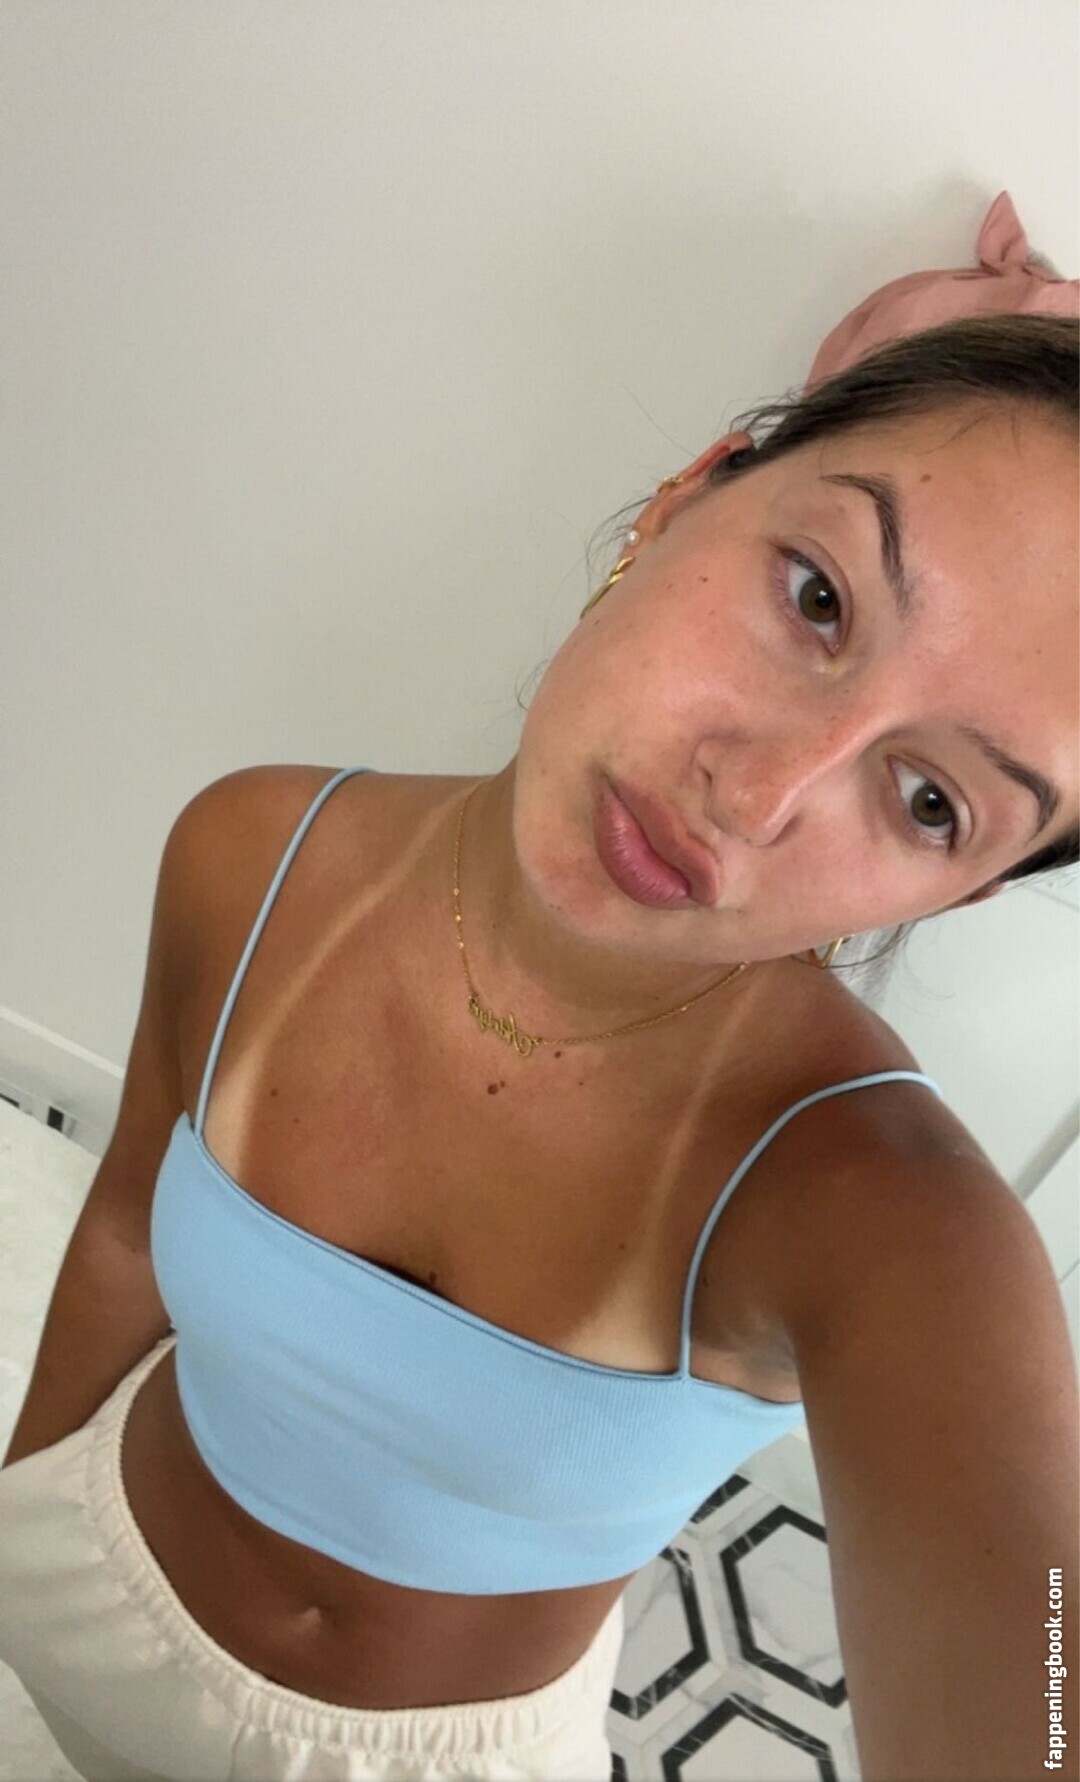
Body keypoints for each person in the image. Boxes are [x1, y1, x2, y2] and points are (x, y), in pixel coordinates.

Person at [0, 308, 1077, 1782]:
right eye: (818, 596)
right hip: (82, 1598)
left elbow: (1038, 1673)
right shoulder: (253, 852)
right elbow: (127, 1228)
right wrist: (24, 1508)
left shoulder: (879, 1210)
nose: (756, 792)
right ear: (685, 495)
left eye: (932, 801)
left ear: (956, 893)